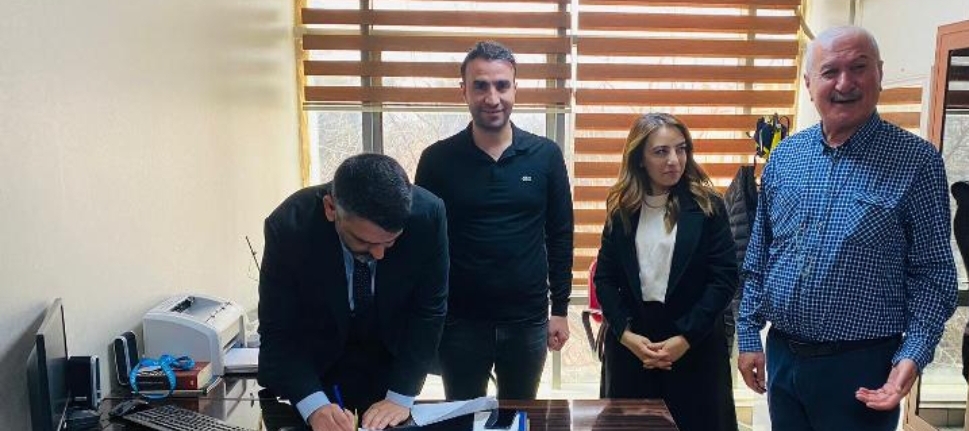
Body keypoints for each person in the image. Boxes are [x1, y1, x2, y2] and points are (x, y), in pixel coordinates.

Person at [736, 26, 958, 430]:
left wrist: (913, 353)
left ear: (879, 74)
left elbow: (934, 274)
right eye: (830, 71)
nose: (844, 83)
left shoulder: (916, 162)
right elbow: (759, 256)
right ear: (809, 84)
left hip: (862, 368)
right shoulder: (785, 156)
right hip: (783, 357)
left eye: (858, 67)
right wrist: (749, 335)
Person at [414, 41, 573, 401]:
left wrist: (561, 309)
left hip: (528, 321)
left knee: (519, 416)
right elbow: (422, 244)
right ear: (464, 90)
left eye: (502, 85)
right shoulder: (437, 160)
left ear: (516, 88)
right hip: (459, 322)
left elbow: (560, 235)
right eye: (481, 86)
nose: (492, 98)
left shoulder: (546, 156)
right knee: (462, 416)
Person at [258, 154, 448, 431]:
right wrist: (314, 406)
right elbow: (279, 330)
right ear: (331, 208)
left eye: (390, 242)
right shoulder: (289, 227)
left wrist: (400, 396)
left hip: (392, 359)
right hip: (316, 366)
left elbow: (428, 312)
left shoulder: (428, 215)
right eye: (363, 241)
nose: (379, 254)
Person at [593, 113, 739, 431]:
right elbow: (605, 278)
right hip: (634, 345)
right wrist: (626, 335)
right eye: (661, 151)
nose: (674, 160)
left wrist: (685, 338)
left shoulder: (707, 205)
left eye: (681, 149)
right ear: (640, 158)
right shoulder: (621, 208)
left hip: (693, 342)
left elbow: (724, 277)